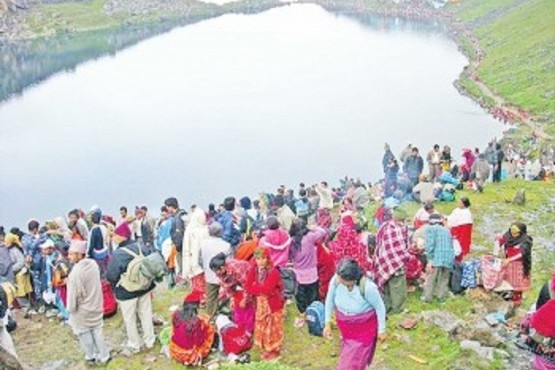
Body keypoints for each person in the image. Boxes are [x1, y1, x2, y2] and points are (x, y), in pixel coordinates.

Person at [323, 259, 386, 370]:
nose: (338, 279)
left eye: (341, 279)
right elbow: (329, 300)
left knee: (353, 362)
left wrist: (381, 330)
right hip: (346, 329)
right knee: (350, 356)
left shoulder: (368, 288)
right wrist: (327, 323)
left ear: (351, 280)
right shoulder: (336, 280)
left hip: (363, 330)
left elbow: (380, 307)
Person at [106, 222, 156, 355]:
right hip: (145, 286)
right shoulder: (141, 246)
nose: (113, 238)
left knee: (130, 318)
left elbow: (111, 275)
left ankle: (135, 344)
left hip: (127, 291)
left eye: (115, 235)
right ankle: (150, 340)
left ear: (122, 236)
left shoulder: (118, 254)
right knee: (146, 313)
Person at [66, 240, 111, 365]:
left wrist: (70, 310)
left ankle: (90, 356)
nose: (69, 257)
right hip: (96, 303)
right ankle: (104, 356)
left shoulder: (75, 273)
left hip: (82, 310)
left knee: (85, 334)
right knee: (98, 331)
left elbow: (74, 295)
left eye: (72, 254)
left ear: (80, 255)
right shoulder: (93, 264)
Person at [245, 248, 284, 361]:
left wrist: (255, 288)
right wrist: (259, 289)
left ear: (267, 258)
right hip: (260, 303)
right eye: (257, 259)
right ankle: (267, 349)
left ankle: (275, 351)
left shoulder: (274, 271)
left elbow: (267, 289)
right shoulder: (254, 269)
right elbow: (247, 286)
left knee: (273, 327)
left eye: (263, 258)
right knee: (262, 325)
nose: (260, 261)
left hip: (273, 303)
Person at [289, 219, 327, 328]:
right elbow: (323, 232)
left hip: (298, 273)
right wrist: (313, 227)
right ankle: (314, 314)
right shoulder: (310, 237)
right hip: (312, 273)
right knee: (313, 295)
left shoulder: (291, 241)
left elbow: (288, 257)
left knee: (300, 296)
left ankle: (303, 314)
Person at [374, 206, 411, 314]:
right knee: (397, 286)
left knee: (386, 285)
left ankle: (387, 307)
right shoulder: (401, 229)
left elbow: (378, 241)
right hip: (397, 262)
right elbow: (402, 248)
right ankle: (397, 309)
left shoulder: (384, 226)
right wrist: (407, 256)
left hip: (384, 259)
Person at [210, 254, 254, 334]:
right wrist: (232, 299)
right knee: (237, 308)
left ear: (222, 267)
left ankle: (249, 330)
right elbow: (226, 286)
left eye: (217, 271)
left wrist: (245, 299)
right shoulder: (220, 272)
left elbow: (247, 285)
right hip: (240, 282)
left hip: (251, 278)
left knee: (249, 307)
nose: (216, 274)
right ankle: (241, 327)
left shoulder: (237, 268)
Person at [169, 291, 215, 366]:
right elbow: (198, 341)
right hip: (188, 354)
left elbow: (175, 330)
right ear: (196, 306)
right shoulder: (196, 321)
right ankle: (194, 358)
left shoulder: (176, 314)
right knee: (210, 329)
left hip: (174, 349)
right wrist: (205, 325)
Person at [495, 222, 533, 306]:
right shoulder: (508, 235)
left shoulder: (526, 240)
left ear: (521, 233)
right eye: (512, 233)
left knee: (518, 283)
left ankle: (517, 301)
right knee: (509, 280)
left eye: (515, 234)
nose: (513, 235)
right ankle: (509, 292)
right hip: (509, 262)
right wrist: (498, 240)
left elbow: (522, 253)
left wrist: (510, 259)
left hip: (520, 265)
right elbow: (501, 241)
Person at [199, 222, 231, 318]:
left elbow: (199, 260)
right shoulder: (226, 245)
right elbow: (230, 262)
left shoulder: (203, 244)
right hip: (224, 275)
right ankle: (226, 315)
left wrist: (205, 268)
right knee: (228, 295)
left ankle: (210, 317)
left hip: (209, 274)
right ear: (221, 232)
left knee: (211, 298)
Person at [421, 214, 455, 302]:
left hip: (436, 257)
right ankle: (441, 297)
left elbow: (430, 245)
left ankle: (427, 298)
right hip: (448, 257)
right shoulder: (447, 230)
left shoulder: (430, 229)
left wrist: (430, 259)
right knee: (444, 279)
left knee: (430, 278)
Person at [182, 207, 208, 301]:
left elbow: (186, 249)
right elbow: (186, 249)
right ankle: (201, 300)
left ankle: (202, 300)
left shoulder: (192, 229)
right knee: (200, 281)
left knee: (200, 282)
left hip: (198, 261)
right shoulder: (193, 229)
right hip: (198, 260)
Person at [165, 197, 187, 278]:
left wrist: (177, 245)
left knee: (181, 264)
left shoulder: (177, 217)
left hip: (180, 245)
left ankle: (183, 282)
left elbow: (179, 232)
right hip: (183, 243)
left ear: (171, 206)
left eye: (167, 207)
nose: (167, 209)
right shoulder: (182, 214)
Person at [87, 209, 110, 277]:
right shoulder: (104, 227)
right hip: (105, 252)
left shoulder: (94, 230)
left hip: (96, 255)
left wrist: (88, 255)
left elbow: (91, 244)